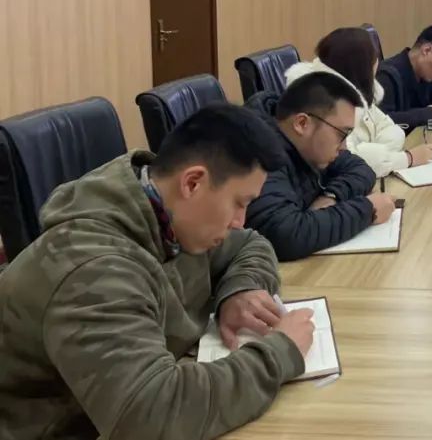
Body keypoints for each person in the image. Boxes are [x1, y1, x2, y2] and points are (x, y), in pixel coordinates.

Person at [0, 105, 315, 440]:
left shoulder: (171, 215)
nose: (240, 221)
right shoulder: (94, 268)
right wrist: (279, 354)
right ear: (193, 183)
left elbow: (250, 244)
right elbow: (149, 416)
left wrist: (240, 290)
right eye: (239, 202)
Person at [244, 71, 396, 261]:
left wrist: (331, 197)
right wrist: (367, 210)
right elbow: (283, 234)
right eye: (341, 134)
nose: (343, 146)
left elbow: (361, 169)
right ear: (302, 123)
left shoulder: (309, 146)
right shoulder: (258, 151)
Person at [285, 27, 432, 178]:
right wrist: (407, 158)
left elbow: (391, 129)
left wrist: (380, 158)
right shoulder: (322, 100)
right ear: (362, 67)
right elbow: (350, 160)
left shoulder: (355, 88)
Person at [377, 24, 432, 130]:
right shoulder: (386, 75)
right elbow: (381, 121)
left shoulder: (422, 75)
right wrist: (428, 113)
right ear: (426, 50)